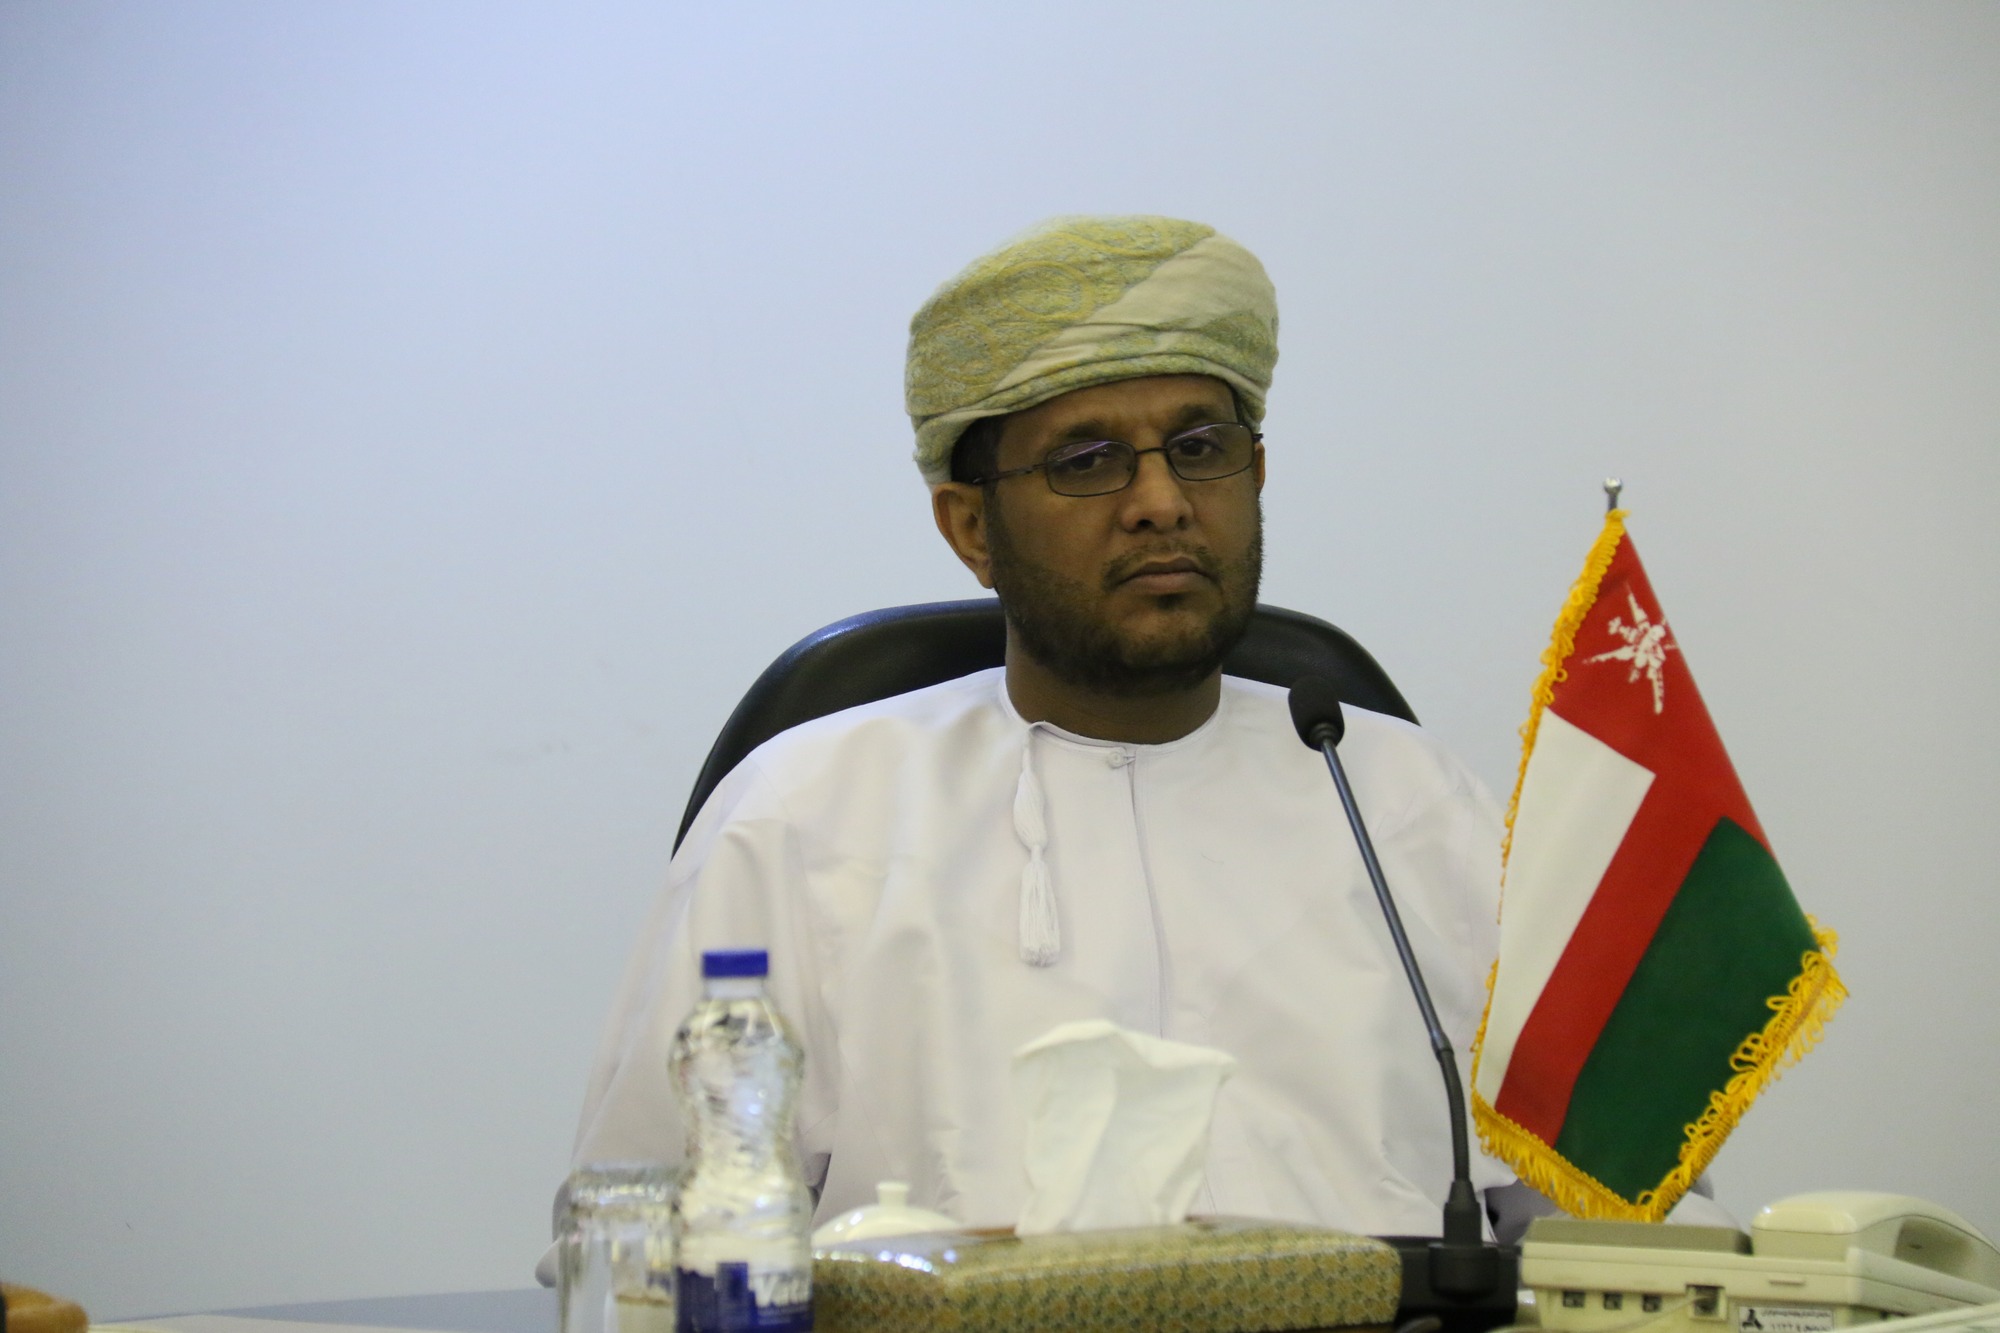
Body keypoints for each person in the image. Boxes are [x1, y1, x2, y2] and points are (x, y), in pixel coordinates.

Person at [568, 215, 1515, 1237]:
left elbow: (1598, 1221)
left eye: (1199, 448)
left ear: (1256, 474)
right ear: (971, 528)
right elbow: (639, 1243)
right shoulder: (798, 817)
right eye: (1088, 461)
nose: (1161, 502)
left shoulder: (1409, 803)